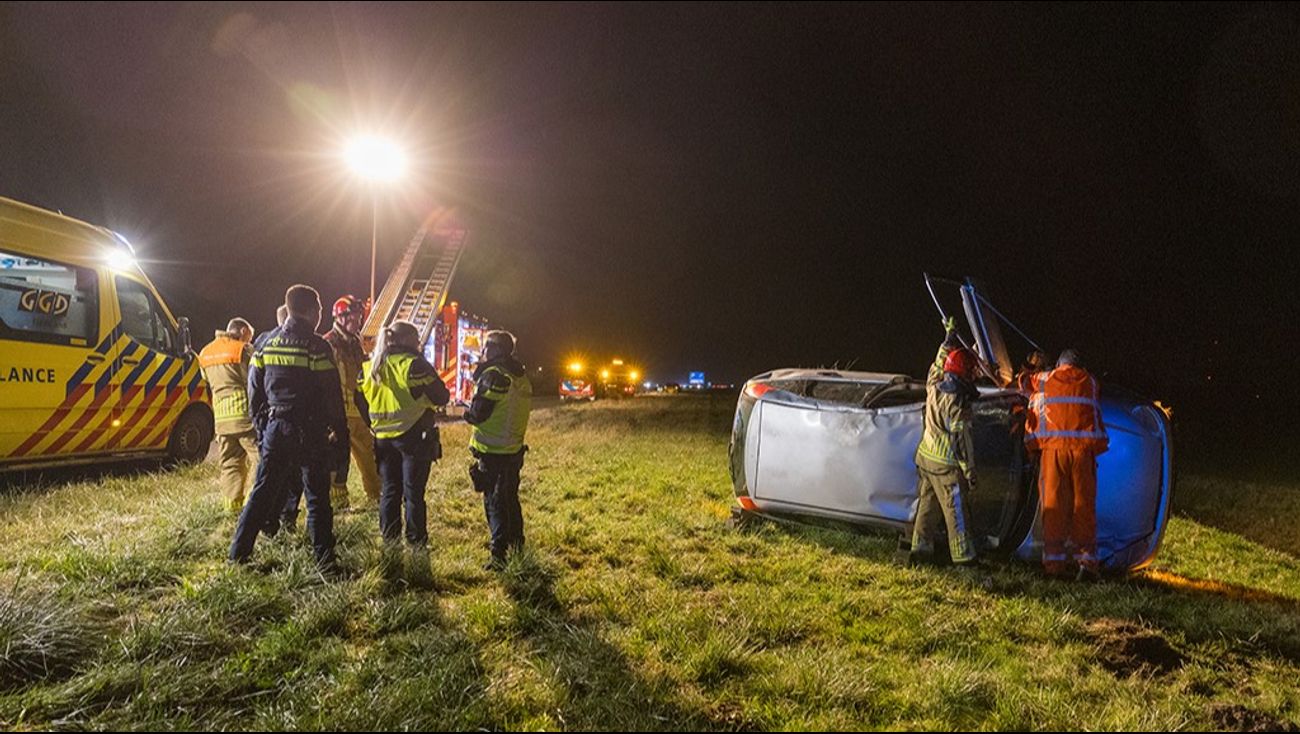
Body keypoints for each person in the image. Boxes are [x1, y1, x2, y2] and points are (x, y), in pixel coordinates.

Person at [229, 285, 347, 574]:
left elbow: (254, 390)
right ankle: (324, 562)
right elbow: (331, 393)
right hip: (310, 430)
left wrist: (262, 425)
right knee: (317, 497)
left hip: (277, 428)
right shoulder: (317, 347)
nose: (320, 314)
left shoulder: (266, 344)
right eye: (318, 309)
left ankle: (238, 554)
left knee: (262, 492)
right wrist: (339, 432)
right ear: (310, 311)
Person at [356, 320, 451, 549]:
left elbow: (359, 398)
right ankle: (416, 542)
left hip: (382, 439)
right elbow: (441, 397)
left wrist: (373, 423)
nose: (418, 343)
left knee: (389, 490)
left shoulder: (370, 366)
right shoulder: (414, 365)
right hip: (413, 436)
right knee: (413, 493)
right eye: (417, 339)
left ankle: (389, 540)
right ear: (407, 339)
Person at [1023, 348, 1109, 579]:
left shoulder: (1045, 379)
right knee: (1083, 508)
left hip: (1054, 452)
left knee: (1053, 508)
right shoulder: (1090, 382)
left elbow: (1023, 382)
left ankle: (1054, 566)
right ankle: (1087, 565)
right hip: (1082, 453)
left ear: (1059, 365)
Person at [910, 317, 981, 568]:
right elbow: (961, 440)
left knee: (927, 507)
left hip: (926, 458)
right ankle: (964, 559)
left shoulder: (934, 384)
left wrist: (949, 339)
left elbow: (938, 363)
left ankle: (920, 550)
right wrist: (969, 471)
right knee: (956, 512)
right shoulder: (958, 402)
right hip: (946, 465)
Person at [465, 330, 532, 570]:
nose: (483, 353)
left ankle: (498, 555)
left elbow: (478, 413)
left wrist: (467, 412)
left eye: (485, 348)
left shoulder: (494, 375)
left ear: (494, 350)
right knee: (510, 500)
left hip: (493, 450)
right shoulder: (519, 376)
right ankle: (517, 546)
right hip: (512, 449)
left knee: (494, 503)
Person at [323, 295, 382, 511]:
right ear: (340, 317)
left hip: (358, 411)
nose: (357, 321)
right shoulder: (329, 342)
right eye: (354, 317)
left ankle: (377, 499)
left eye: (359, 316)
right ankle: (338, 506)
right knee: (338, 462)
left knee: (370, 457)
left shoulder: (355, 343)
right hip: (338, 414)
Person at [198, 318, 257, 512]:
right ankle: (253, 504)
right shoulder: (243, 350)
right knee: (262, 461)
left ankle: (232, 507)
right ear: (241, 331)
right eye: (249, 336)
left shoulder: (205, 352)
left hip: (221, 419)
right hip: (244, 417)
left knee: (230, 463)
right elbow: (255, 379)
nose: (249, 341)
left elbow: (207, 381)